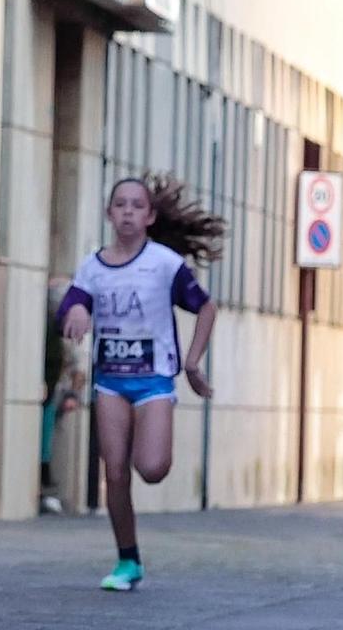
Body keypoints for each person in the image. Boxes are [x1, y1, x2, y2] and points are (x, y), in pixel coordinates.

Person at [58, 176, 222, 592]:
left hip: (153, 380)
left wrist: (192, 362)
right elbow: (73, 301)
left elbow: (206, 307)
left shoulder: (164, 264)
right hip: (111, 380)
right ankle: (127, 560)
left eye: (136, 205)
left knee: (150, 469)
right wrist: (74, 311)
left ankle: (152, 440)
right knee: (114, 472)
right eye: (120, 204)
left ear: (149, 216)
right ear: (109, 213)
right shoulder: (93, 265)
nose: (128, 211)